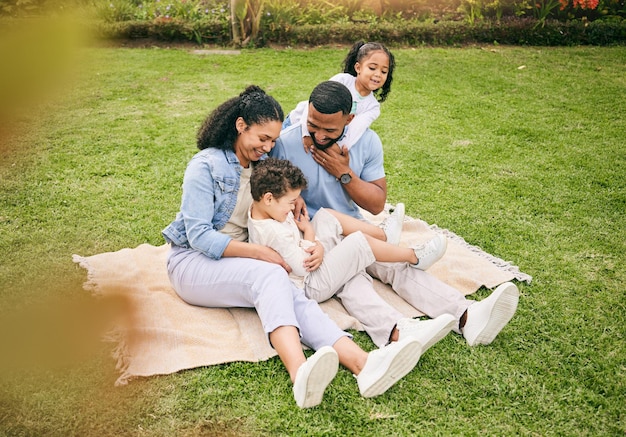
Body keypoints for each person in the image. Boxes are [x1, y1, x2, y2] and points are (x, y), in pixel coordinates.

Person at [162, 85, 426, 409]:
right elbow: (200, 236)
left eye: (273, 140)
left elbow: (280, 188)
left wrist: (295, 199)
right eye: (262, 139)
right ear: (240, 125)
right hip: (193, 262)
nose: (269, 147)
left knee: (292, 292)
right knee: (271, 277)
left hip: (242, 261)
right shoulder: (205, 166)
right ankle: (300, 374)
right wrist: (261, 253)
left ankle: (364, 365)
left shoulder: (261, 165)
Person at [270, 81, 520, 349]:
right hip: (314, 233)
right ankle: (396, 329)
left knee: (394, 267)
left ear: (349, 119)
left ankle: (466, 316)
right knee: (352, 278)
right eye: (312, 125)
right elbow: (268, 193)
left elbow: (377, 204)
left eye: (328, 129)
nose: (319, 135)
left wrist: (345, 173)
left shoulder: (367, 142)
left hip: (356, 225)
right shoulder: (286, 142)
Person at [248, 157, 451, 298]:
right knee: (357, 243)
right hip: (311, 283)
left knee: (326, 215)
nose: (294, 206)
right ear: (268, 198)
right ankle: (413, 257)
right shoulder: (273, 232)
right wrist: (310, 235)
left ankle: (384, 236)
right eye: (291, 201)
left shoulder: (263, 209)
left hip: (307, 256)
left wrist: (313, 240)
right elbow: (302, 267)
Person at [283, 41, 394, 152]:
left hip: (322, 136)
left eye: (384, 71)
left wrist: (340, 148)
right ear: (358, 68)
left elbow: (355, 130)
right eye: (372, 68)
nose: (378, 74)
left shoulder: (372, 107)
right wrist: (305, 133)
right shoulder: (342, 81)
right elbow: (314, 104)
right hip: (297, 123)